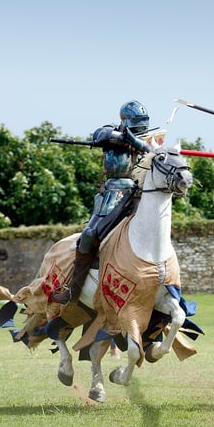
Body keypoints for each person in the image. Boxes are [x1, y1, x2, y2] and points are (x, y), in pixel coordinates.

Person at [51, 100, 155, 306]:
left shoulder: (147, 141)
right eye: (137, 123)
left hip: (139, 194)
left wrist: (138, 141)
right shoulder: (110, 133)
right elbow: (102, 135)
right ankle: (73, 289)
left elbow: (149, 148)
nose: (141, 128)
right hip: (114, 193)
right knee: (88, 236)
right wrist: (128, 137)